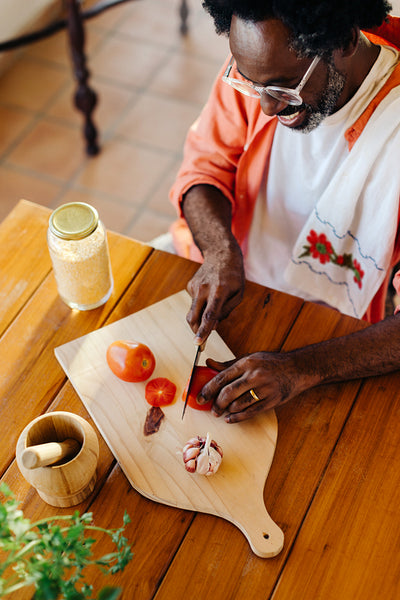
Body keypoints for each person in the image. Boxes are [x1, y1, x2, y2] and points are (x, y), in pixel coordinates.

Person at [168, 0, 400, 423]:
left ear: (345, 41)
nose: (266, 108)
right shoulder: (260, 71)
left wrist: (300, 369)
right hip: (239, 287)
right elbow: (203, 170)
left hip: (333, 332)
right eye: (253, 85)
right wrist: (220, 250)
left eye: (284, 87)